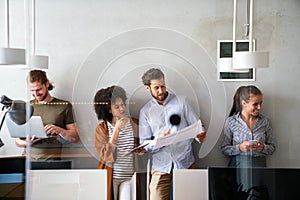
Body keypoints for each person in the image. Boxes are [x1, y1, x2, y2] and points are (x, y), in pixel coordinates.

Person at [139, 68, 206, 200]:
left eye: (163, 86)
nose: (161, 91)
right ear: (148, 88)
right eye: (156, 87)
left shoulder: (182, 102)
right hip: (161, 167)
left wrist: (200, 135)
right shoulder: (145, 112)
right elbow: (144, 144)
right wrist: (159, 140)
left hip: (185, 162)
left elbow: (199, 127)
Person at [94, 85, 146, 200]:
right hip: (111, 177)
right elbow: (105, 156)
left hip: (130, 176)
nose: (122, 109)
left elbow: (144, 146)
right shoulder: (102, 129)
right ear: (109, 109)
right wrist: (116, 130)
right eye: (117, 107)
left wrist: (142, 151)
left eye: (122, 105)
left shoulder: (134, 124)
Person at [15, 70, 80, 160]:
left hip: (52, 163)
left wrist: (60, 131)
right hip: (27, 163)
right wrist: (27, 142)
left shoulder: (64, 106)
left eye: (38, 89)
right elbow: (17, 141)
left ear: (47, 84)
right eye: (32, 91)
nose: (36, 94)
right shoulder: (27, 107)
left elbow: (75, 137)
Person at [221, 85, 275, 168]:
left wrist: (262, 147)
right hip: (238, 168)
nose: (259, 107)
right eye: (255, 104)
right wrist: (239, 148)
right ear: (244, 104)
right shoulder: (231, 122)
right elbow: (224, 149)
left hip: (259, 168)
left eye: (261, 103)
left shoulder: (264, 122)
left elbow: (272, 148)